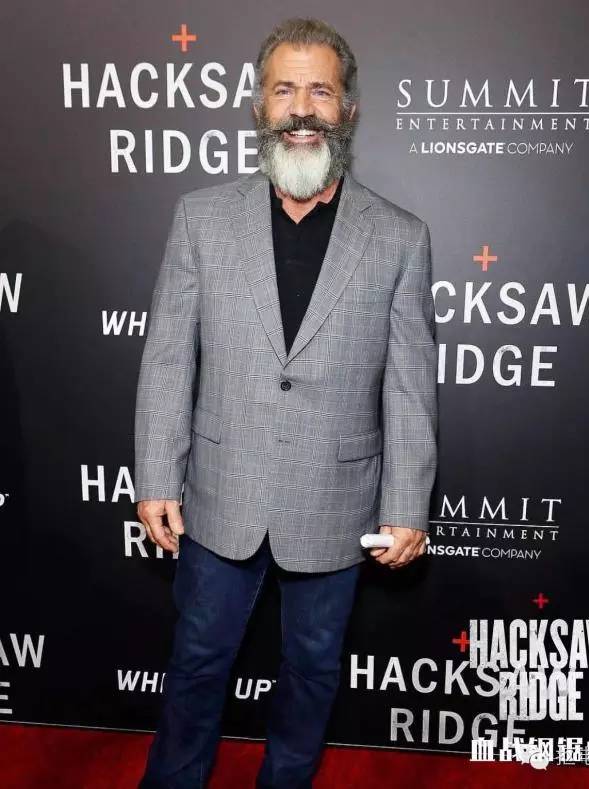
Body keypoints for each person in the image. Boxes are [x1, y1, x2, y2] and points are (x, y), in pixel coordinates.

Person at [134, 16, 438, 789]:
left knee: (312, 672)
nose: (302, 108)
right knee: (196, 663)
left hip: (336, 503)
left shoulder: (400, 237)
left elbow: (409, 384)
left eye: (321, 91)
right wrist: (158, 475)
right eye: (284, 90)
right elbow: (168, 355)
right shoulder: (201, 218)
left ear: (349, 108)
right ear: (258, 106)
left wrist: (407, 503)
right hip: (220, 496)